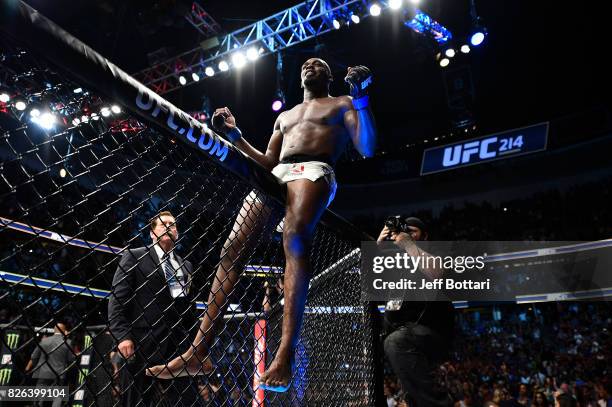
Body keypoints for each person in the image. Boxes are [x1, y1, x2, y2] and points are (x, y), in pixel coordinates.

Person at [146, 58, 377, 392]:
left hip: (316, 170)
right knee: (231, 251)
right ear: (300, 78)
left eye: (318, 63)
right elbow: (268, 162)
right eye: (306, 63)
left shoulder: (343, 103)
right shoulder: (285, 116)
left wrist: (361, 99)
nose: (309, 64)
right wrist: (236, 136)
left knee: (295, 239)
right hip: (278, 174)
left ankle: (285, 354)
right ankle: (198, 351)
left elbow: (367, 147)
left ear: (329, 76)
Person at [107, 210, 199, 405]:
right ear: (152, 232)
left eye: (172, 224)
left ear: (178, 233)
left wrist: (194, 343)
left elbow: (188, 308)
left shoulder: (186, 265)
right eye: (163, 224)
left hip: (178, 345)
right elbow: (117, 298)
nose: (168, 227)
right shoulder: (134, 256)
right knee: (137, 400)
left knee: (184, 399)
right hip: (141, 343)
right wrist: (122, 336)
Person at [377, 216, 455, 407]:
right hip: (405, 333)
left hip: (432, 331)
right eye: (404, 231)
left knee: (396, 341)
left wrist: (409, 245)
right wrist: (378, 246)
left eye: (412, 231)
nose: (406, 235)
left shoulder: (435, 251)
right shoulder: (397, 263)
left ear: (425, 236)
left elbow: (437, 273)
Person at [25, 322, 76, 407]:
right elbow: (71, 360)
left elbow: (34, 357)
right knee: (57, 397)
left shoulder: (44, 341)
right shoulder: (68, 342)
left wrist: (37, 367)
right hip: (59, 373)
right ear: (64, 330)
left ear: (54, 330)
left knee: (39, 397)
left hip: (43, 372)